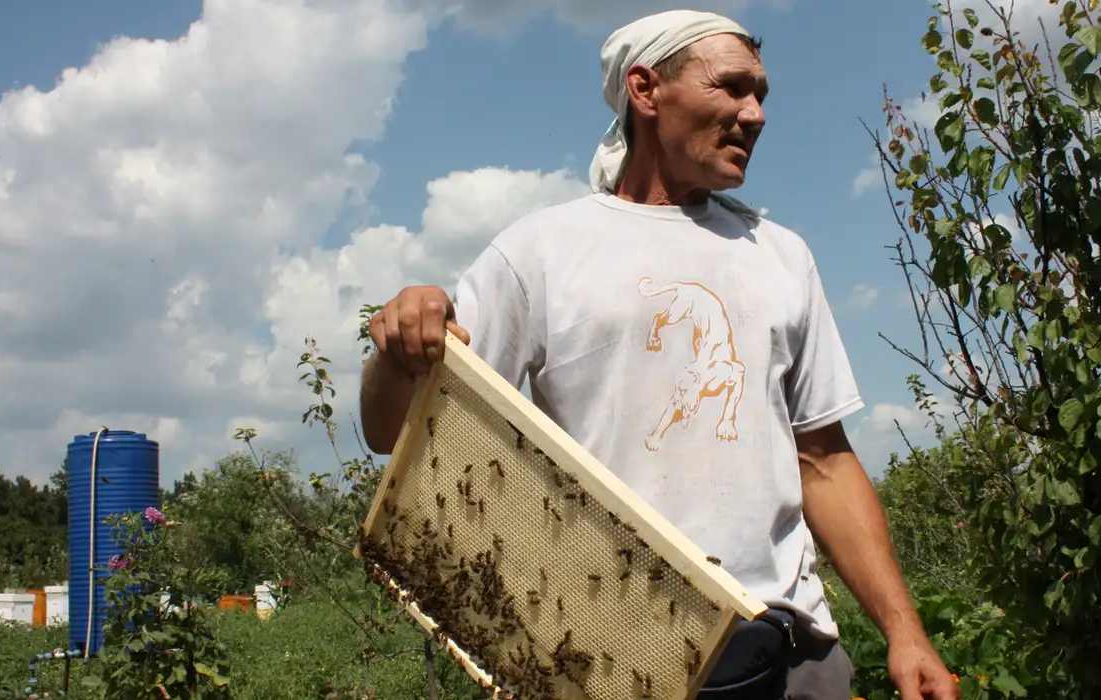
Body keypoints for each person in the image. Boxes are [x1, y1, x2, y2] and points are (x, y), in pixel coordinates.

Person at [359, 9, 959, 700]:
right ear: (646, 91)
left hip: (791, 654)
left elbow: (823, 459)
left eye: (761, 93)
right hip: (608, 656)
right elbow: (391, 434)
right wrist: (400, 345)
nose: (755, 113)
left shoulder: (781, 255)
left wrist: (905, 632)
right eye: (731, 87)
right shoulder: (543, 251)